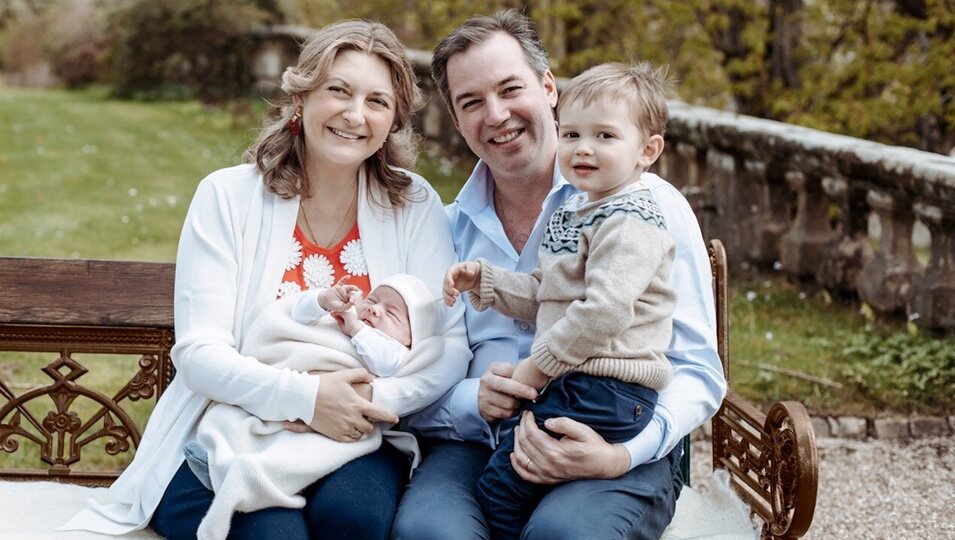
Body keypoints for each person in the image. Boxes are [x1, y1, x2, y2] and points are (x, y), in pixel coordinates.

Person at [61, 19, 469, 540]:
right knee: (274, 535)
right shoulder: (227, 197)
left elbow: (448, 344)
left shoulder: (413, 204)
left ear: (393, 120)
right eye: (337, 90)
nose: (354, 114)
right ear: (301, 99)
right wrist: (303, 398)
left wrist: (360, 401)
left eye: (377, 101)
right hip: (223, 429)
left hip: (355, 436)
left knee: (356, 520)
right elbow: (199, 352)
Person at [394, 10, 727, 540]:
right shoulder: (445, 228)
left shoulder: (646, 208)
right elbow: (410, 376)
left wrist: (620, 456)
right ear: (456, 121)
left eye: (510, 89)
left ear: (549, 87)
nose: (497, 114)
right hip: (479, 441)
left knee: (563, 535)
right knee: (431, 534)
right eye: (472, 102)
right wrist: (470, 400)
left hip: (611, 433)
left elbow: (698, 370)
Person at [442, 61, 678, 539]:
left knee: (502, 487)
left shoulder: (632, 219)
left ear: (647, 151)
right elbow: (548, 294)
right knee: (514, 466)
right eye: (570, 135)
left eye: (605, 137)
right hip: (582, 384)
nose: (582, 149)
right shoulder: (579, 209)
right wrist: (485, 281)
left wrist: (536, 366)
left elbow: (605, 311)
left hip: (609, 387)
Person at [186, 274, 443, 540]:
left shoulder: (395, 351)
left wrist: (357, 329)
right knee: (250, 425)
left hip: (338, 421)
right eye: (373, 300)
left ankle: (248, 475)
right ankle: (221, 459)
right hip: (282, 384)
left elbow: (387, 363)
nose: (375, 309)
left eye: (391, 313)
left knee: (300, 454)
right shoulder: (343, 318)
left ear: (410, 339)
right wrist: (322, 300)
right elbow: (296, 314)